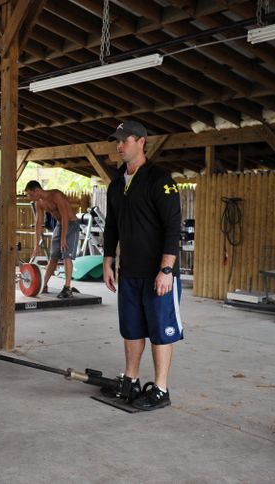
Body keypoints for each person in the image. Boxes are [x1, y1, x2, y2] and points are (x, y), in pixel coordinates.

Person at [102, 121, 182, 411]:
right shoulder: (116, 183)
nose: (119, 145)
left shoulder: (160, 179)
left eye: (125, 140)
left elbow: (174, 227)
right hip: (129, 272)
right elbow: (112, 226)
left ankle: (161, 389)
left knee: (160, 331)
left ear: (141, 142)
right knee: (132, 329)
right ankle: (131, 381)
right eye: (117, 141)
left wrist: (167, 270)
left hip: (157, 272)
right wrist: (108, 260)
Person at [25, 180, 80, 298]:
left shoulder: (56, 195)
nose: (29, 197)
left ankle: (67, 288)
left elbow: (65, 215)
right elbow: (38, 223)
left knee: (66, 255)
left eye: (30, 194)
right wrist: (36, 245)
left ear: (37, 190)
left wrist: (63, 238)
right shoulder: (38, 203)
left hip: (71, 223)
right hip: (60, 225)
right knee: (53, 256)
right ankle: (43, 285)